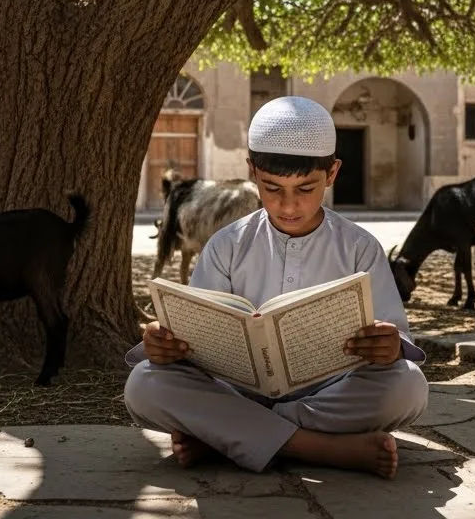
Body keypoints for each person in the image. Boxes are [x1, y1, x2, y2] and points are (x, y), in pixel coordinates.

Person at [124, 96, 428, 478]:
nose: (288, 206)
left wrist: (390, 346)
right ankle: (319, 448)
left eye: (305, 189)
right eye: (272, 188)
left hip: (330, 392)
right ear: (252, 171)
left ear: (332, 173)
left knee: (408, 385)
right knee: (144, 383)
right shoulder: (226, 245)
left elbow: (396, 339)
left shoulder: (359, 247)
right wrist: (166, 345)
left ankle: (228, 435)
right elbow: (195, 340)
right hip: (237, 393)